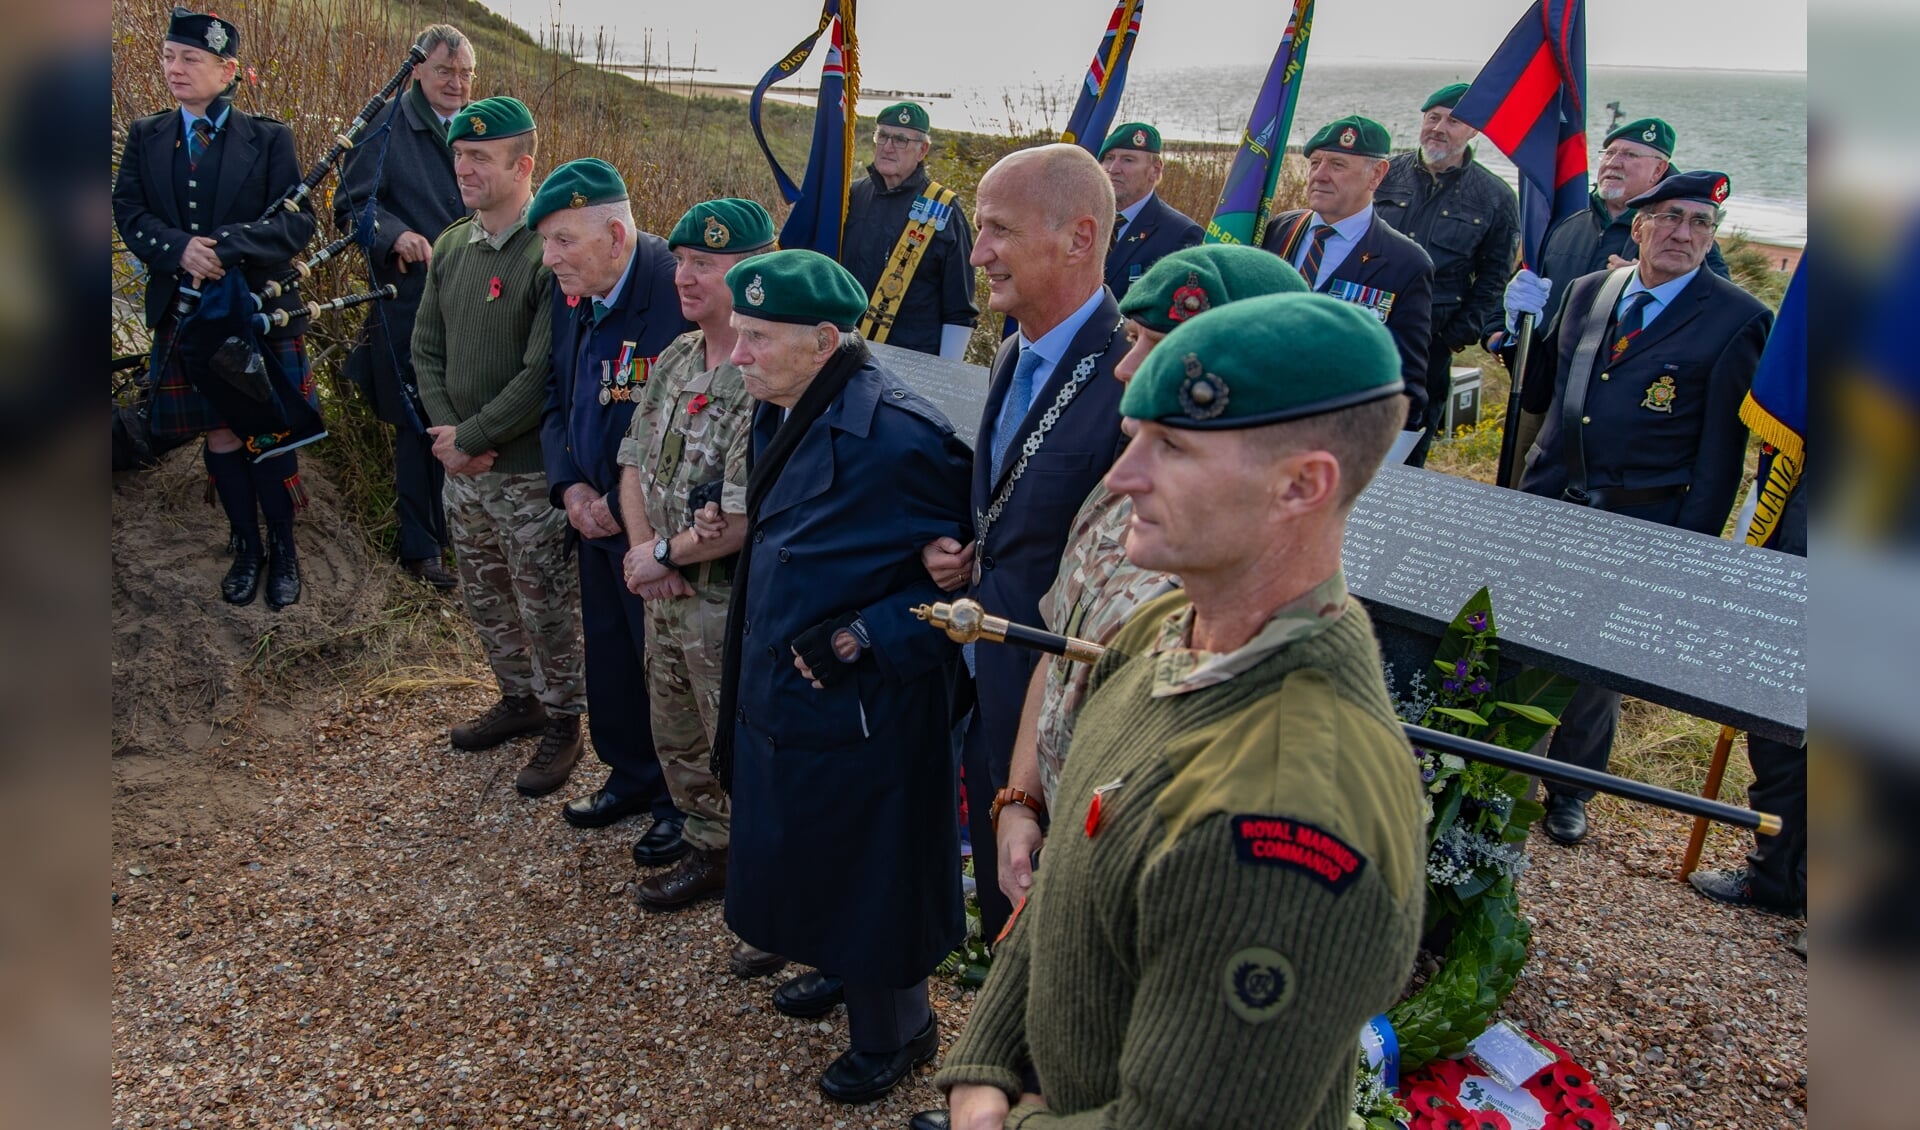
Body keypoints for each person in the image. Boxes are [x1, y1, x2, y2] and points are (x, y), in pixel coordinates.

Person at [933, 292, 1426, 1129]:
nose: (1123, 478)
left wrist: (995, 1121)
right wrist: (984, 1057)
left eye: (1174, 448)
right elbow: (1068, 882)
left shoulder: (1281, 812)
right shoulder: (1171, 627)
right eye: (1134, 438)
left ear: (1303, 485)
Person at [710, 249, 974, 1104]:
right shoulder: (785, 402)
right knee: (809, 849)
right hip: (791, 702)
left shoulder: (901, 437)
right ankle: (834, 963)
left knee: (871, 876)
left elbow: (970, 584)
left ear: (825, 340)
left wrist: (868, 633)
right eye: (738, 332)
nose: (736, 352)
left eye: (757, 337)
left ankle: (897, 1032)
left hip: (865, 710)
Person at [993, 245, 1308, 907]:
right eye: (1134, 338)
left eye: (1158, 347)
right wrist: (1020, 799)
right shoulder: (1121, 493)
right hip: (1058, 853)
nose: (1127, 367)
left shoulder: (1263, 574)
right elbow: (1057, 648)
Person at [1516, 171, 1773, 845]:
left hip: (1638, 518)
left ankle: (1570, 791)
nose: (1685, 234)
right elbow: (1542, 390)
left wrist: (1685, 556)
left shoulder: (1736, 317)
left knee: (1594, 664)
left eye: (1702, 223)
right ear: (1639, 226)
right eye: (1671, 218)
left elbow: (1720, 455)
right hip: (1548, 499)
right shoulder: (1586, 291)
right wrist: (1517, 325)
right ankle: (1505, 769)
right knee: (1515, 638)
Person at [921, 143, 1130, 949]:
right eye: (979, 230)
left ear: (1079, 239)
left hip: (1060, 691)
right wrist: (972, 550)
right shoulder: (1015, 346)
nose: (978, 255)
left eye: (998, 230)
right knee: (1005, 893)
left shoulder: (1125, 370)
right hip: (992, 661)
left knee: (1052, 917)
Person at [610, 197, 786, 976]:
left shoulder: (764, 371)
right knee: (676, 733)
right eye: (680, 260)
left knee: (743, 751)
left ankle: (771, 899)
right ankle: (708, 852)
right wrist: (648, 551)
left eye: (705, 264)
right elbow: (631, 462)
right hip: (667, 593)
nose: (684, 276)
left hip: (725, 603)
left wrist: (666, 560)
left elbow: (747, 512)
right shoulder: (679, 355)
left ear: (750, 272)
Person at [409, 97, 586, 795]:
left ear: (524, 165)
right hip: (464, 471)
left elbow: (541, 371)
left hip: (524, 472)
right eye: (458, 155)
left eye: (480, 157)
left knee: (545, 602)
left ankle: (565, 721)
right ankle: (519, 700)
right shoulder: (452, 244)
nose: (464, 168)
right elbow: (425, 347)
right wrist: (450, 439)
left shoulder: (547, 250)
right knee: (485, 596)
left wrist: (474, 438)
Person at [112, 9, 317, 609]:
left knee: (269, 434)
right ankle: (246, 545)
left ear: (227, 70)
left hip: (256, 310)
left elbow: (296, 221)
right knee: (222, 433)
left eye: (190, 60)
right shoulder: (147, 135)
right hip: (185, 311)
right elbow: (130, 213)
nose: (175, 69)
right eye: (169, 57)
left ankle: (284, 547)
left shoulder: (271, 138)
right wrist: (180, 251)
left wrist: (223, 248)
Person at [533, 159, 696, 839]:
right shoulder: (576, 288)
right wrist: (569, 483)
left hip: (658, 529)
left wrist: (616, 498)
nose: (550, 260)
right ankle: (631, 777)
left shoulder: (672, 291)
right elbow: (557, 394)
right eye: (546, 242)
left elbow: (688, 416)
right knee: (610, 659)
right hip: (592, 518)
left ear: (618, 236)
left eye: (564, 241)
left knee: (666, 670)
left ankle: (681, 806)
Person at [333, 23, 476, 590]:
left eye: (466, 74)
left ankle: (466, 537)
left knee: (466, 419)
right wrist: (393, 235)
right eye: (445, 71)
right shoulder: (384, 125)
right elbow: (351, 206)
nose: (457, 84)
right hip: (410, 303)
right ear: (416, 69)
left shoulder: (481, 126)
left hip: (476, 303)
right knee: (418, 427)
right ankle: (422, 550)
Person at [1261, 115, 1434, 453]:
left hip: (1336, 445)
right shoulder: (1279, 230)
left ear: (1377, 174)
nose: (1319, 175)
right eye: (1314, 163)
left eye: (1337, 165)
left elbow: (1405, 385)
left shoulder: (1404, 263)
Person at [1492, 117, 1730, 357]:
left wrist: (1656, 281)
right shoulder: (1565, 215)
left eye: (1630, 155)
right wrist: (1496, 335)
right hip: (1544, 372)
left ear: (1658, 170)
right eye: (1609, 153)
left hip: (1619, 374)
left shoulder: (1677, 234)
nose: (1614, 163)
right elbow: (1523, 281)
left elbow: (1715, 308)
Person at [1373, 83, 1519, 467]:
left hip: (1429, 342)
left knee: (1408, 444)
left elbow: (1493, 278)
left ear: (1474, 131)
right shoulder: (1385, 175)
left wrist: (1455, 336)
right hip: (1364, 328)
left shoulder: (1495, 198)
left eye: (1453, 121)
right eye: (1432, 117)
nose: (1439, 127)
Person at [840, 102, 978, 359]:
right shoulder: (852, 196)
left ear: (922, 150)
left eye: (901, 140)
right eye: (883, 136)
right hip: (846, 354)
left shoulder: (943, 208)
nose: (888, 147)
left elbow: (959, 307)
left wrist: (946, 374)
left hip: (911, 362)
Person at [1097, 122, 1203, 302]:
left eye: (1128, 160)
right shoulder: (1083, 220)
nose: (1113, 169)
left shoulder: (1181, 235)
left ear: (1155, 170)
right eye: (1108, 158)